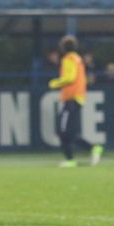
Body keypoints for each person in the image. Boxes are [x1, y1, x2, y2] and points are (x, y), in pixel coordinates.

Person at [48, 35, 104, 168]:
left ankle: (72, 159)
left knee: (63, 131)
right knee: (69, 132)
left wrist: (55, 83)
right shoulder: (78, 59)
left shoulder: (68, 59)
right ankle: (90, 150)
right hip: (77, 98)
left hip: (71, 99)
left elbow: (70, 77)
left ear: (63, 48)